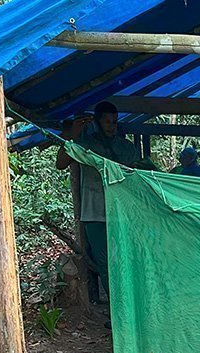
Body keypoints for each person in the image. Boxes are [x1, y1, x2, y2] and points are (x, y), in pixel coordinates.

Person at [56, 102, 140, 310]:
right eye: (107, 122)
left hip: (121, 212)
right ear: (97, 122)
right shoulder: (85, 145)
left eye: (114, 122)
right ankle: (117, 311)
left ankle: (131, 307)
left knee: (126, 260)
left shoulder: (126, 147)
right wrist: (72, 135)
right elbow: (60, 163)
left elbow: (137, 174)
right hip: (95, 213)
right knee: (105, 264)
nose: (111, 126)